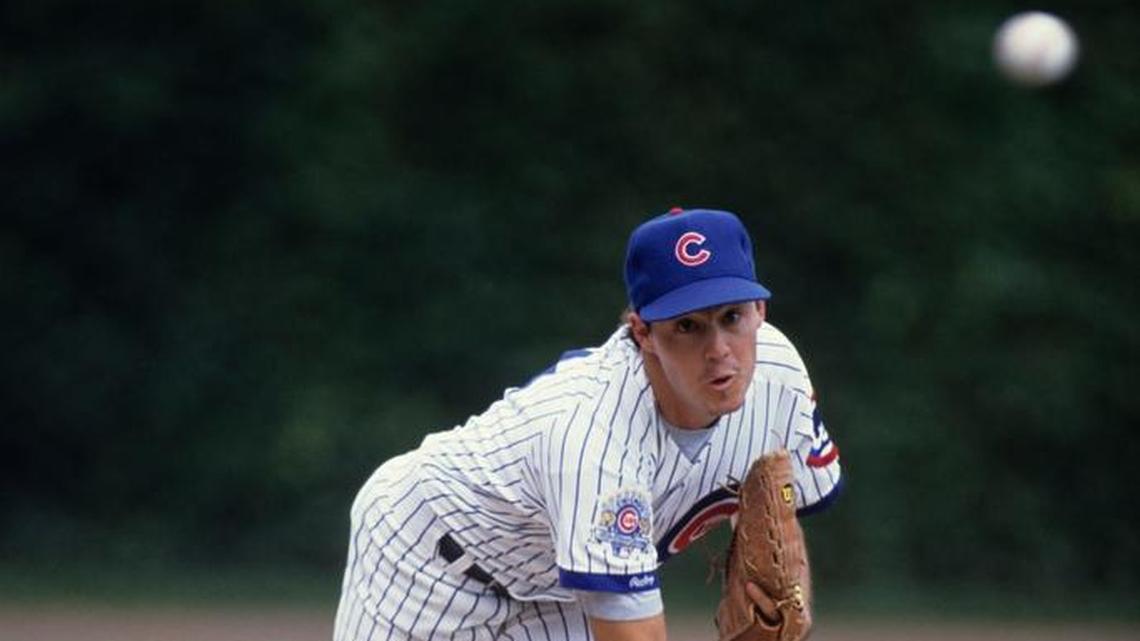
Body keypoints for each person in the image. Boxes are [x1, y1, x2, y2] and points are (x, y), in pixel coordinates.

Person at [333, 207, 842, 641]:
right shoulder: (596, 436)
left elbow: (778, 523)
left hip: (559, 587)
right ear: (641, 332)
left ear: (760, 310)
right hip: (427, 555)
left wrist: (792, 590)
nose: (719, 351)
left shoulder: (779, 375)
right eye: (687, 326)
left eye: (732, 317)